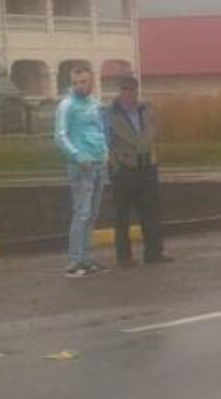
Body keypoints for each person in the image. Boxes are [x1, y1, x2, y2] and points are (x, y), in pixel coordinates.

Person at [108, 75, 170, 265]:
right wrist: (116, 165)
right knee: (122, 216)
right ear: (119, 91)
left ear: (137, 90)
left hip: (147, 167)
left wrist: (153, 158)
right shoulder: (110, 114)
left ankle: (154, 253)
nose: (129, 93)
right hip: (124, 169)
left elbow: (156, 131)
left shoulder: (147, 109)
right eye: (125, 89)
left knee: (151, 212)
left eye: (132, 89)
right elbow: (105, 141)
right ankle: (124, 257)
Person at [55, 66, 108, 277]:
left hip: (98, 163)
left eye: (83, 82)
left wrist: (105, 153)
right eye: (75, 82)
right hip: (80, 166)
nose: (79, 86)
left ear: (91, 82)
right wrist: (77, 156)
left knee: (92, 213)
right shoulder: (67, 105)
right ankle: (75, 260)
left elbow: (101, 131)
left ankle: (86, 258)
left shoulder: (95, 104)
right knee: (82, 212)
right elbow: (60, 136)